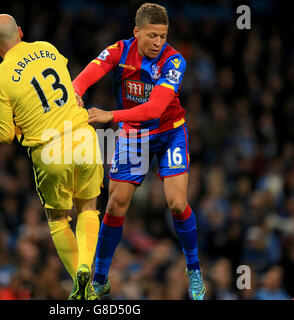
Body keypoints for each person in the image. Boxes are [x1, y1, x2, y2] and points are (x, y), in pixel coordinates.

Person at [0, 14, 103, 300]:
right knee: (88, 208)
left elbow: (4, 134)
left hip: (50, 150)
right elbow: (61, 88)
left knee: (58, 219)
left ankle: (80, 278)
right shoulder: (47, 48)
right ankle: (88, 264)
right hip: (83, 135)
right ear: (21, 32)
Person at [73, 3, 206, 300]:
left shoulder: (174, 62)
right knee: (115, 206)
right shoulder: (120, 51)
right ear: (137, 32)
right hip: (135, 135)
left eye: (163, 36)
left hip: (169, 132)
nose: (159, 42)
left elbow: (156, 108)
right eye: (152, 36)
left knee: (176, 203)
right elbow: (92, 70)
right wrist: (77, 90)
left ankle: (194, 268)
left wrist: (111, 115)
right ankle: (100, 278)